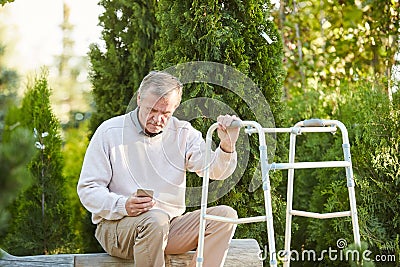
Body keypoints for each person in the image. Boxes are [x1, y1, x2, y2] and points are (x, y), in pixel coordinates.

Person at [77, 71, 241, 267]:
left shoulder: (184, 133)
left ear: (175, 108)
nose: (157, 119)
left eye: (165, 113)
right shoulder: (109, 131)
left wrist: (227, 145)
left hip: (167, 227)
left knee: (225, 217)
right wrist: (123, 204)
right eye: (152, 110)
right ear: (139, 98)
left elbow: (215, 171)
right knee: (155, 220)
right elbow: (88, 190)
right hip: (117, 229)